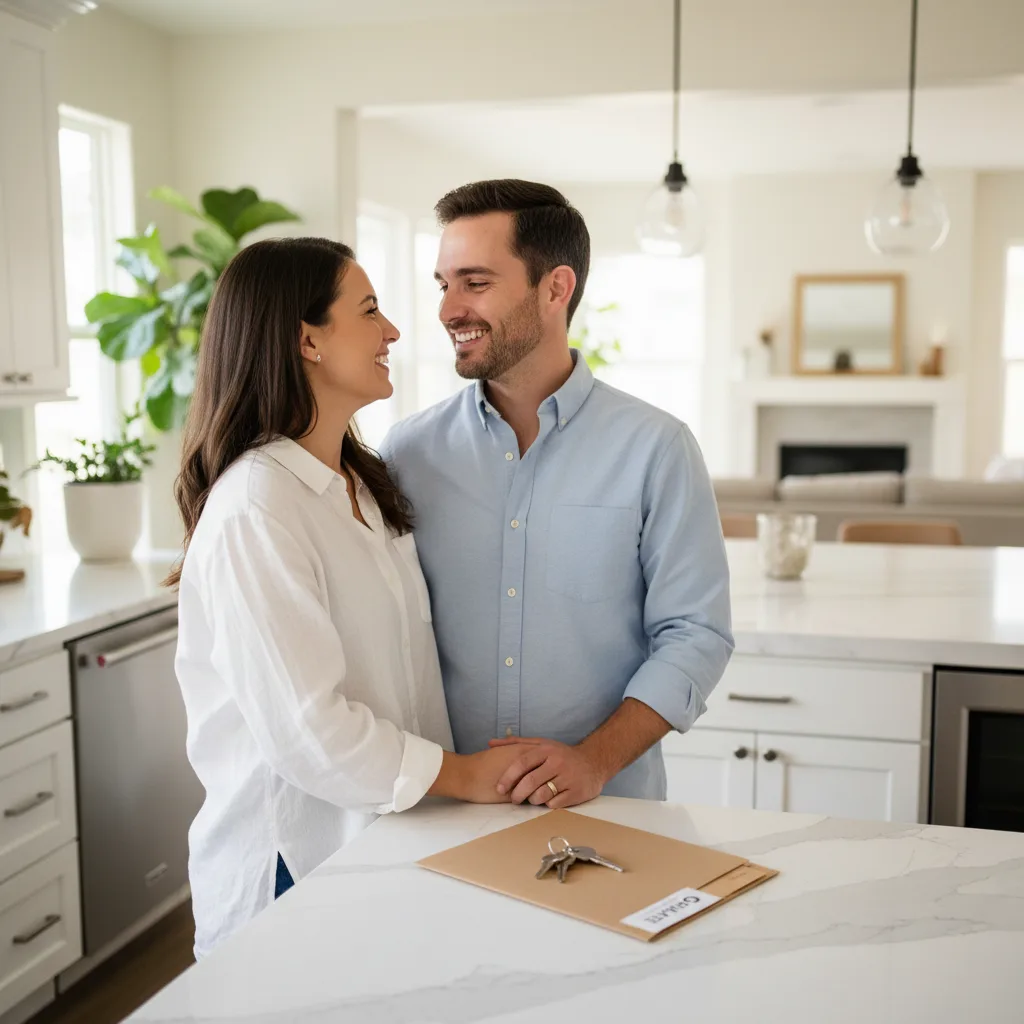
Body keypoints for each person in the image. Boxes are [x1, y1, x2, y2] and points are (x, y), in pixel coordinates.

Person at [171, 237, 529, 958]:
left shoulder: (358, 484)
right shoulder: (256, 507)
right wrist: (463, 777)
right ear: (307, 338)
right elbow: (309, 732)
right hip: (291, 866)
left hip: (379, 841)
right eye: (369, 311)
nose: (394, 330)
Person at [381, 180, 733, 809]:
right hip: (441, 809)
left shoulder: (657, 448)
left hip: (608, 805)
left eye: (476, 282)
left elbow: (696, 634)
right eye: (444, 284)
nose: (447, 310)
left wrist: (594, 761)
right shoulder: (406, 454)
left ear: (555, 288)